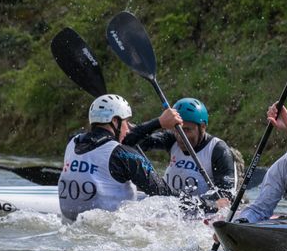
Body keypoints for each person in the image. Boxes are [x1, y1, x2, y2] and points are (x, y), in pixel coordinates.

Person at [59, 93, 200, 223]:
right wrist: (203, 206)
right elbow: (163, 193)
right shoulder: (123, 154)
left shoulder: (72, 141)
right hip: (111, 228)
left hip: (70, 222)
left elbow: (119, 140)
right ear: (115, 121)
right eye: (127, 122)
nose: (128, 129)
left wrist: (158, 123)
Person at [124, 97, 238, 209]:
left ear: (203, 127)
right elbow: (129, 142)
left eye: (187, 130)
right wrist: (157, 123)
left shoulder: (218, 150)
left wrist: (194, 204)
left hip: (200, 213)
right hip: (172, 206)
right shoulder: (172, 138)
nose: (180, 136)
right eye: (177, 129)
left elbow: (225, 198)